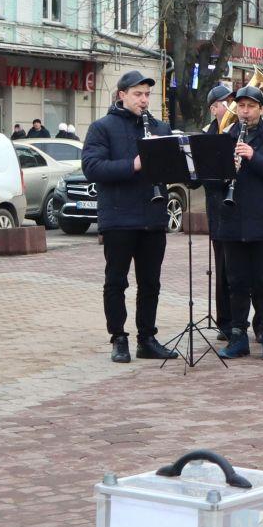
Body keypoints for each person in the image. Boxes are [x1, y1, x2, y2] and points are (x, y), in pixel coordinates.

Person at [81, 71, 181, 362]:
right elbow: (93, 167)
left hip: (153, 216)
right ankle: (118, 338)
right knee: (116, 281)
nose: (144, 100)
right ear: (121, 95)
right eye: (138, 94)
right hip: (119, 217)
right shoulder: (102, 128)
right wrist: (133, 165)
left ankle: (147, 337)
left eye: (147, 95)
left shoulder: (159, 127)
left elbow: (172, 169)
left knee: (151, 282)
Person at [211, 86, 263, 361]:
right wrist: (225, 172)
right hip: (232, 222)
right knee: (236, 282)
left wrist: (253, 157)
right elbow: (211, 181)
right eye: (241, 106)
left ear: (261, 109)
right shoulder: (225, 139)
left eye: (250, 106)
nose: (245, 111)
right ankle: (238, 336)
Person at [200, 82, 240, 341]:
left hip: (242, 207)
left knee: (246, 270)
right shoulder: (207, 134)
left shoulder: (242, 130)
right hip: (218, 208)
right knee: (223, 268)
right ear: (214, 108)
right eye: (226, 101)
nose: (232, 105)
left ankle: (253, 322)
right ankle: (225, 322)